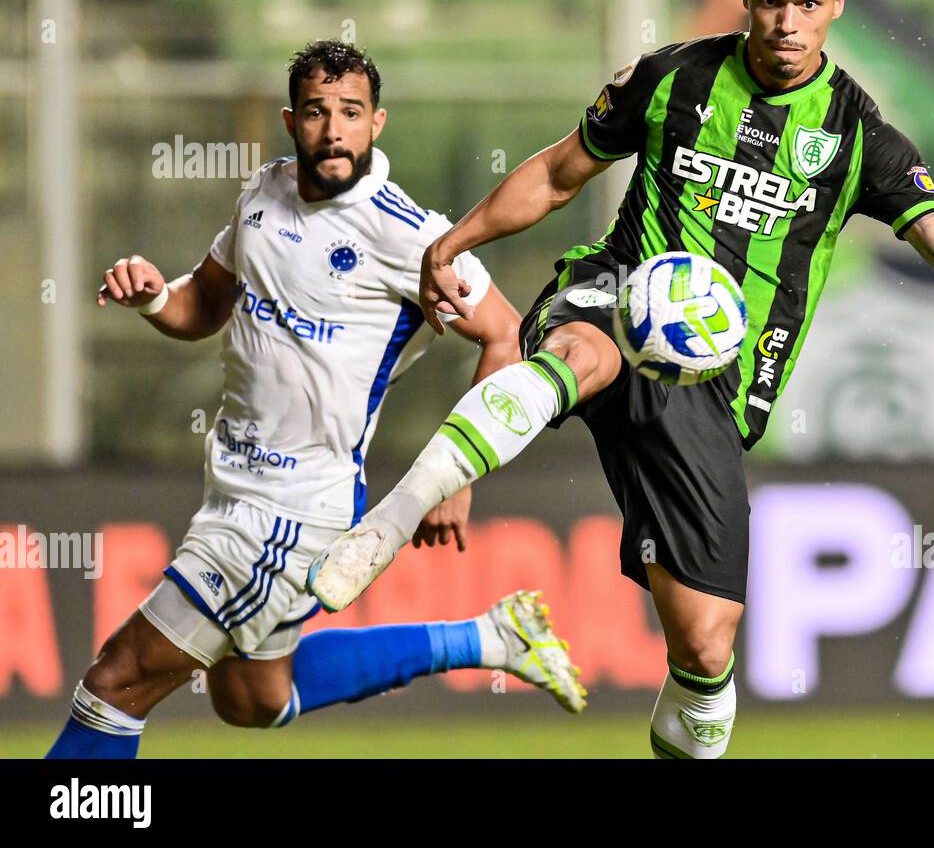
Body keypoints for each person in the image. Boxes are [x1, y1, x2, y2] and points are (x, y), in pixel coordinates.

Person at [310, 0, 934, 760]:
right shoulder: (671, 80)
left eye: (807, 4)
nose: (785, 22)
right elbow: (560, 171)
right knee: (580, 353)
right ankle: (393, 516)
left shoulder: (857, 138)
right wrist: (457, 240)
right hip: (621, 292)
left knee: (705, 649)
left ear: (837, 5)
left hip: (713, 389)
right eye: (770, 1)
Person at [45, 40, 585, 760]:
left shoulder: (408, 235)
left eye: (351, 113)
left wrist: (459, 479)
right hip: (232, 491)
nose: (334, 130)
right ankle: (492, 636)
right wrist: (152, 298)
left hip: (290, 516)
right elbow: (204, 303)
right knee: (252, 700)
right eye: (317, 112)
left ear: (377, 123)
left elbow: (506, 337)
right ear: (291, 121)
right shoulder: (262, 194)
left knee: (115, 684)